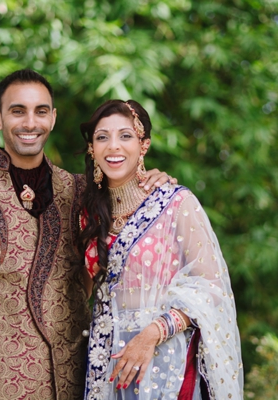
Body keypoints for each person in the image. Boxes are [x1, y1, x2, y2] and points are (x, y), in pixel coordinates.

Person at [0, 70, 174, 399]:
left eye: (40, 111)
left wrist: (154, 179)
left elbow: (130, 223)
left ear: (52, 119)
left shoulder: (79, 189)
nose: (30, 122)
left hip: (73, 372)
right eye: (17, 111)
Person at [78, 100, 243, 399]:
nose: (113, 146)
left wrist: (153, 333)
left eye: (125, 136)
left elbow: (212, 287)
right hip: (106, 365)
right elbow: (79, 294)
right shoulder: (88, 213)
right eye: (102, 137)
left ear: (144, 145)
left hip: (166, 363)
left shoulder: (174, 203)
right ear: (92, 147)